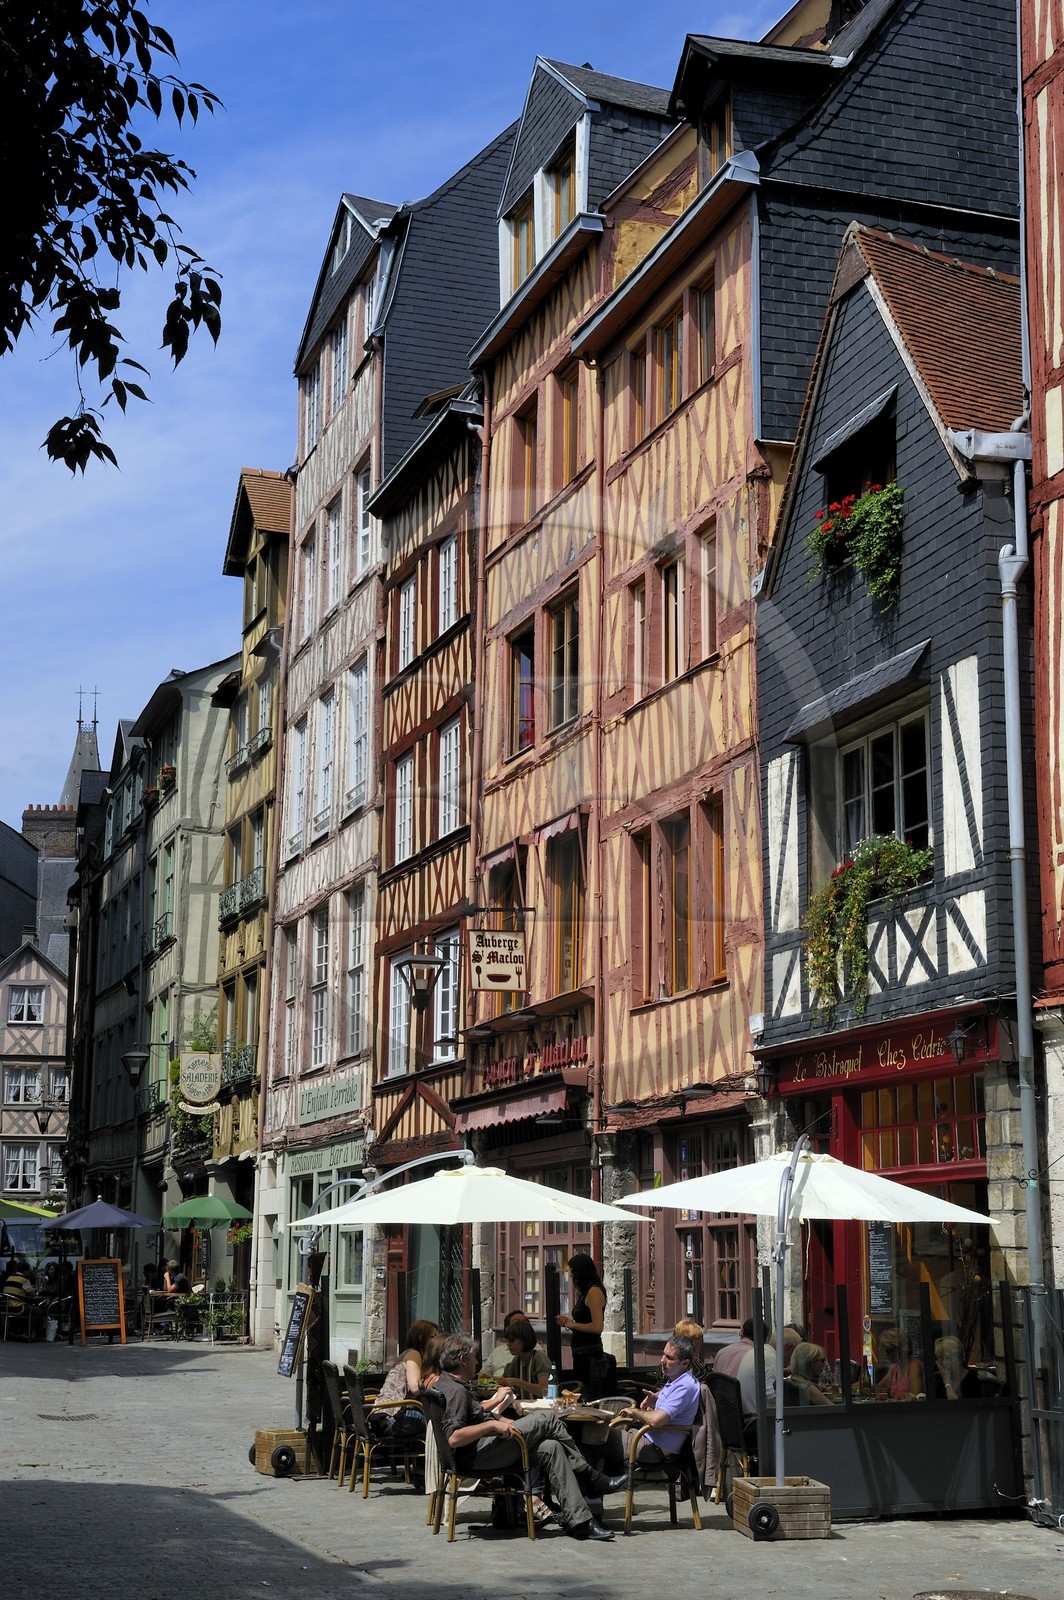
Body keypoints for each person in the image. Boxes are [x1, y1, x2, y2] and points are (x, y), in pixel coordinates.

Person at [434, 1334, 626, 1541]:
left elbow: (472, 1414)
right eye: (473, 1358)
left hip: (481, 1449)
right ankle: (590, 1477)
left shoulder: (446, 1384)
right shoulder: (456, 1392)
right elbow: (454, 1438)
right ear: (463, 1361)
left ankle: (580, 1522)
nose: (477, 1362)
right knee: (546, 1417)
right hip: (477, 1456)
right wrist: (491, 1424)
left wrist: (501, 1420)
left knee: (551, 1447)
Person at [608, 1335, 701, 1471]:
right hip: (644, 1437)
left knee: (596, 1438)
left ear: (685, 1363)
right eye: (663, 1355)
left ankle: (593, 1483)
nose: (662, 1361)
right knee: (592, 1437)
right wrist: (657, 1398)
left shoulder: (685, 1385)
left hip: (652, 1447)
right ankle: (594, 1481)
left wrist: (636, 1412)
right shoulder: (675, 1380)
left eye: (669, 1358)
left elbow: (656, 1421)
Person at [371, 1318, 437, 1436]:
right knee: (439, 1424)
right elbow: (415, 1388)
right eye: (433, 1337)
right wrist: (433, 1377)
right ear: (422, 1338)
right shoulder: (414, 1354)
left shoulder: (407, 1353)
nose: (436, 1341)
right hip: (393, 1420)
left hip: (380, 1419)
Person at [557, 1254, 609, 1397]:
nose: (572, 1276)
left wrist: (572, 1324)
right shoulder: (585, 1291)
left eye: (573, 1272)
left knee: (589, 1396)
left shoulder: (594, 1292)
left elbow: (597, 1327)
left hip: (591, 1357)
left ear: (581, 1272)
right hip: (582, 1355)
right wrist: (570, 1322)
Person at [501, 1314, 552, 1397]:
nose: (508, 1344)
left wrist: (517, 1382)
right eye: (508, 1341)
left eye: (512, 1341)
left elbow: (545, 1390)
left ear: (525, 1339)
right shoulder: (517, 1360)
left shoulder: (538, 1357)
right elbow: (503, 1380)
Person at [876, 1327, 923, 1399]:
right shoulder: (895, 1368)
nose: (887, 1355)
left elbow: (915, 1398)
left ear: (903, 1349)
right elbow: (879, 1388)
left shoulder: (914, 1367)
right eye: (886, 1351)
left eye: (890, 1351)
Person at [934, 1335, 981, 1400]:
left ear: (959, 1359)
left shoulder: (971, 1381)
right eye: (940, 1358)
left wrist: (947, 1382)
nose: (944, 1363)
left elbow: (955, 1404)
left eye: (948, 1358)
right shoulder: (939, 1380)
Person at [481, 1309, 524, 1378]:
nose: (522, 1326)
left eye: (525, 1323)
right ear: (507, 1329)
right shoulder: (497, 1352)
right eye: (517, 1323)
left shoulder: (536, 1353)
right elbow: (483, 1375)